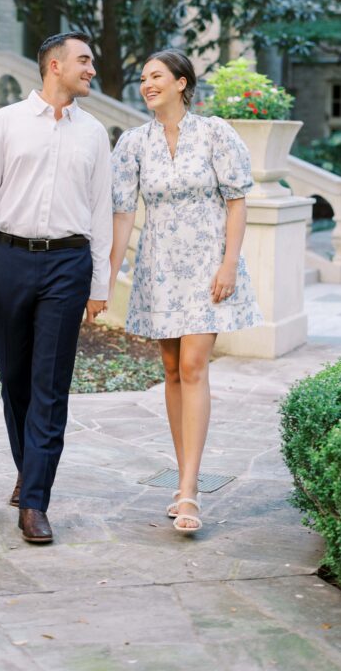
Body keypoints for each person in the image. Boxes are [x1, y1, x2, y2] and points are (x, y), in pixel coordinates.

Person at [0, 33, 112, 545]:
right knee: (14, 374)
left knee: (51, 383)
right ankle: (30, 465)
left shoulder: (94, 134)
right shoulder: (5, 124)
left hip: (69, 263)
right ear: (54, 65)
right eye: (84, 60)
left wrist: (100, 281)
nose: (92, 69)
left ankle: (36, 500)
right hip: (9, 260)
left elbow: (101, 213)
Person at [109, 50, 262, 534]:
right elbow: (123, 213)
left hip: (205, 269)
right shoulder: (133, 143)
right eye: (142, 78)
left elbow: (237, 204)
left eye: (156, 76)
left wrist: (229, 264)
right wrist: (108, 275)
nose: (146, 84)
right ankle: (182, 477)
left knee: (194, 367)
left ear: (181, 82)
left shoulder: (216, 132)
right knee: (172, 369)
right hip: (158, 270)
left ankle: (190, 490)